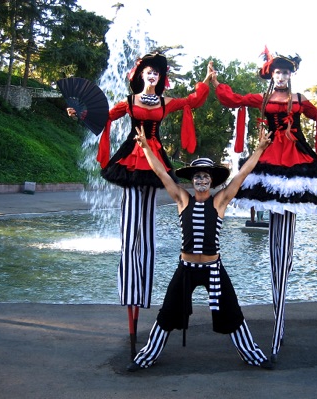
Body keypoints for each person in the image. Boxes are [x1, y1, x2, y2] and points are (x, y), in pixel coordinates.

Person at [210, 48, 317, 362]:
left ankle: (279, 323)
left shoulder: (301, 100)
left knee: (284, 247)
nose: (282, 76)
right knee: (276, 241)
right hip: (267, 157)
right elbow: (232, 99)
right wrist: (215, 83)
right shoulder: (260, 100)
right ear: (271, 74)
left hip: (295, 159)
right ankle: (278, 323)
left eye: (286, 72)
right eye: (278, 72)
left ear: (291, 75)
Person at [68, 53, 213, 357]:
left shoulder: (163, 102)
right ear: (141, 75)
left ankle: (142, 293)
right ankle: (130, 295)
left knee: (147, 232)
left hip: (154, 158)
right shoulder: (130, 101)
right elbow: (105, 116)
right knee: (130, 226)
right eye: (148, 72)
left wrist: (207, 80)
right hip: (133, 157)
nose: (152, 76)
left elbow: (191, 101)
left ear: (160, 78)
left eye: (156, 73)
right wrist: (79, 113)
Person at [126, 124, 273, 371]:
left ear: (212, 180)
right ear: (192, 181)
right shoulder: (183, 199)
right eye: (197, 176)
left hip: (213, 268)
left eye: (206, 176)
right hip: (186, 268)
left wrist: (258, 149)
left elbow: (242, 175)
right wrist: (146, 147)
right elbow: (161, 173)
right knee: (167, 314)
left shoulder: (220, 200)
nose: (201, 180)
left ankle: (253, 355)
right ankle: (146, 357)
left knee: (232, 313)